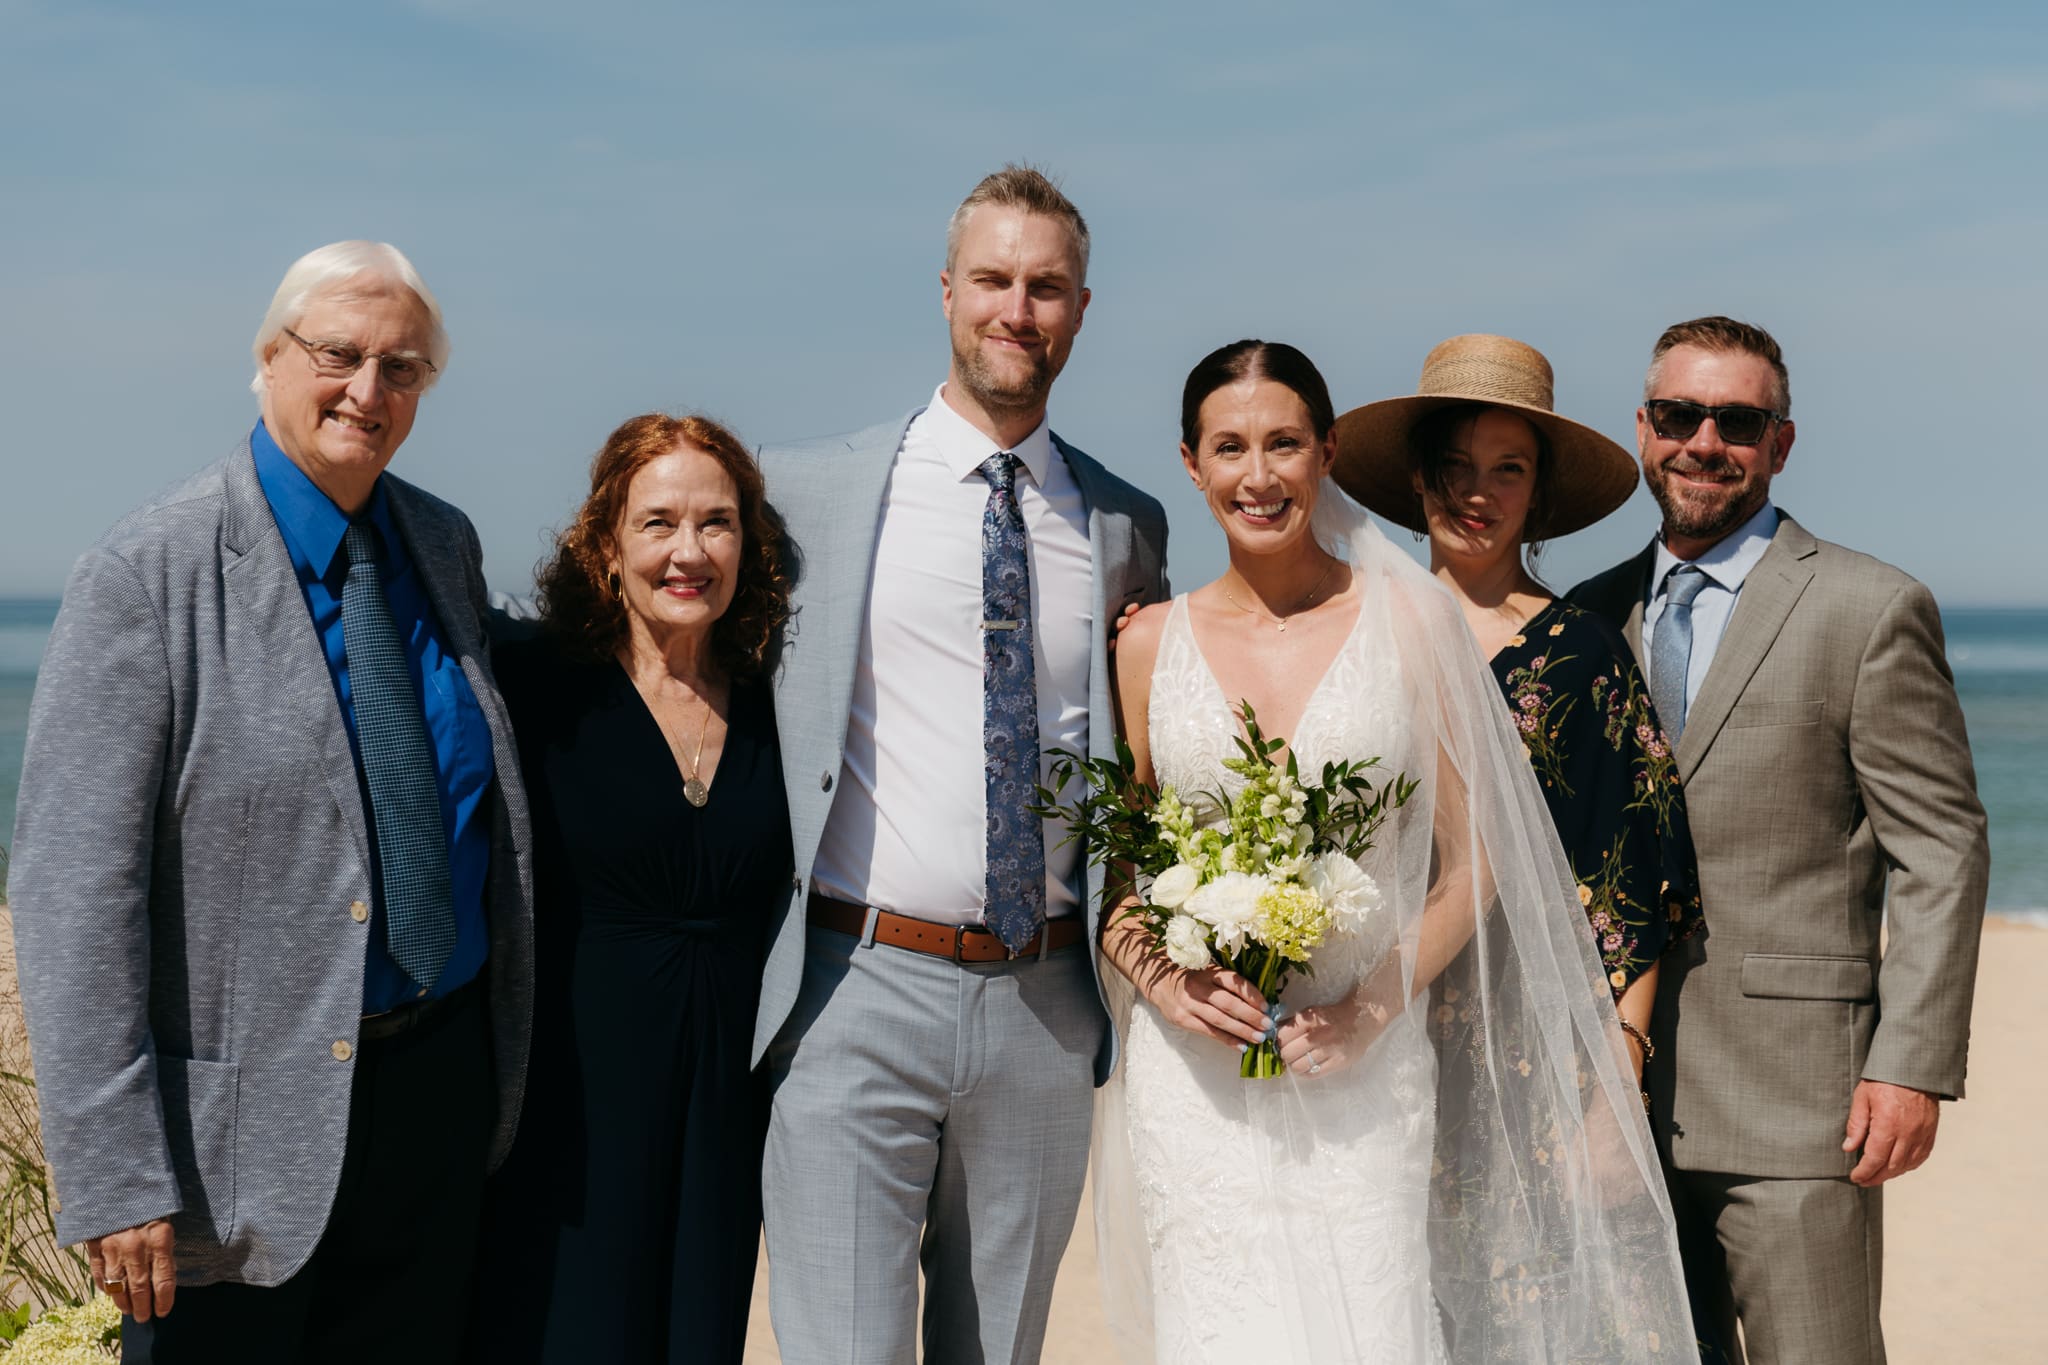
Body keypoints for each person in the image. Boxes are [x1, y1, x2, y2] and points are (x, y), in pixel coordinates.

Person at [1095, 339, 1691, 1363]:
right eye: (1228, 447)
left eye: (1282, 443)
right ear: (1189, 465)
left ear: (1325, 453)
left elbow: (1483, 857)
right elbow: (1120, 874)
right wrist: (1162, 984)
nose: (1257, 473)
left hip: (1362, 1076)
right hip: (1192, 1086)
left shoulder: (1410, 623)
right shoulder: (1146, 643)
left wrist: (1373, 1005)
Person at [8, 240, 533, 1362]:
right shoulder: (149, 573)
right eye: (338, 355)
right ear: (269, 357)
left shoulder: (440, 544)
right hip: (232, 1146)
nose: (367, 391)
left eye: (402, 368)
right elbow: (71, 892)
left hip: (434, 1099)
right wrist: (112, 1174)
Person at [754, 164, 1168, 1363]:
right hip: (851, 987)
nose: (1016, 310)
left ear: (1081, 309)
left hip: (1043, 1005)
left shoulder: (1125, 523)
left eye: (1045, 287)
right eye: (993, 279)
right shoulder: (813, 490)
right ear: (946, 291)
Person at [1570, 316, 1990, 1365]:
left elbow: (1938, 849)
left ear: (1779, 442)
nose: (1703, 441)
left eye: (1737, 420)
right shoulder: (1583, 617)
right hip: (1607, 1109)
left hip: (1802, 1106)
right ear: (1640, 428)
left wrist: (1909, 1065)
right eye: (1678, 415)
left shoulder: (1866, 607)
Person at [472, 413, 794, 1363]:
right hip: (569, 1104)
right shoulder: (531, 682)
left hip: (728, 1109)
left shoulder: (783, 701)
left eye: (717, 522)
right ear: (605, 544)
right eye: (658, 522)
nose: (688, 552)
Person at [1332, 333, 1704, 1088]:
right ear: (1416, 476)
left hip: (1532, 1054)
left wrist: (1617, 1082)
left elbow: (1630, 886)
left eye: (1509, 470)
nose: (1478, 493)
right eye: (1456, 466)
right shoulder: (1344, 633)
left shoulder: (1583, 655)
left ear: (1538, 493)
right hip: (1350, 1030)